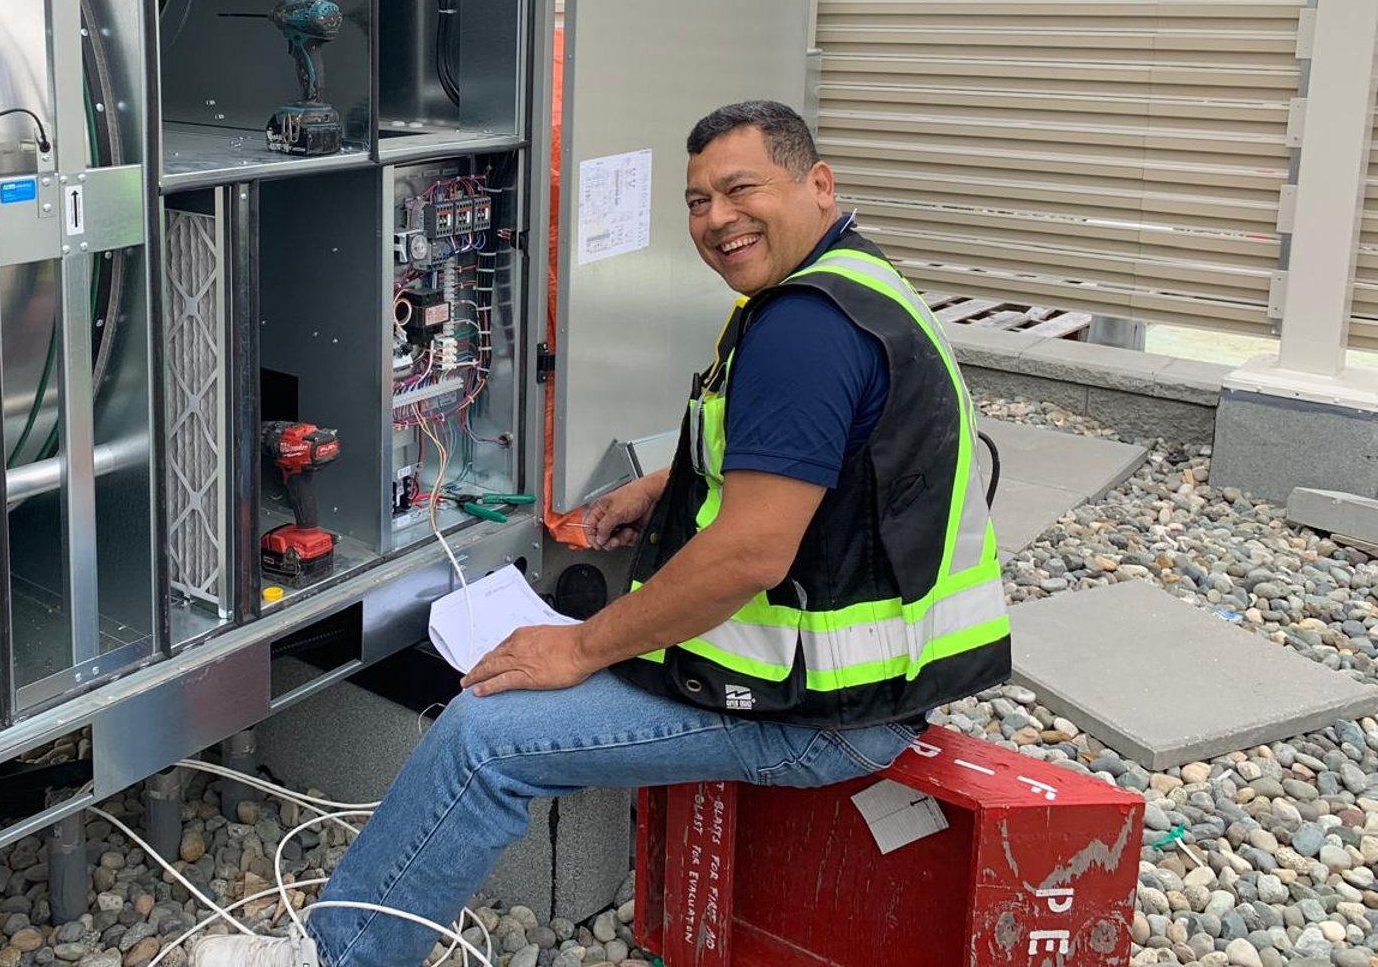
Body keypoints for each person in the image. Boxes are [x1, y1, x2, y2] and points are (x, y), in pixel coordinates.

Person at [198, 100, 1010, 967]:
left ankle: (339, 955)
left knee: (484, 737)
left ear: (818, 183)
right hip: (873, 681)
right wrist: (664, 489)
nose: (717, 220)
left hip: (827, 711)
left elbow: (749, 553)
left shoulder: (805, 331)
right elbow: (817, 461)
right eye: (698, 201)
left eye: (740, 190)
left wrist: (580, 648)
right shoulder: (848, 284)